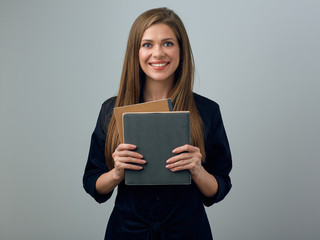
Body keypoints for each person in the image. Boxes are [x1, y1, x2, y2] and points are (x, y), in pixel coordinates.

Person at [83, 7, 232, 240]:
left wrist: (198, 170)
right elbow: (93, 183)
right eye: (147, 44)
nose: (158, 53)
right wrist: (117, 173)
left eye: (168, 43)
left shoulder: (207, 111)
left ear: (181, 51)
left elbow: (219, 187)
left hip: (188, 232)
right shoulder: (110, 110)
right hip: (127, 232)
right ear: (136, 52)